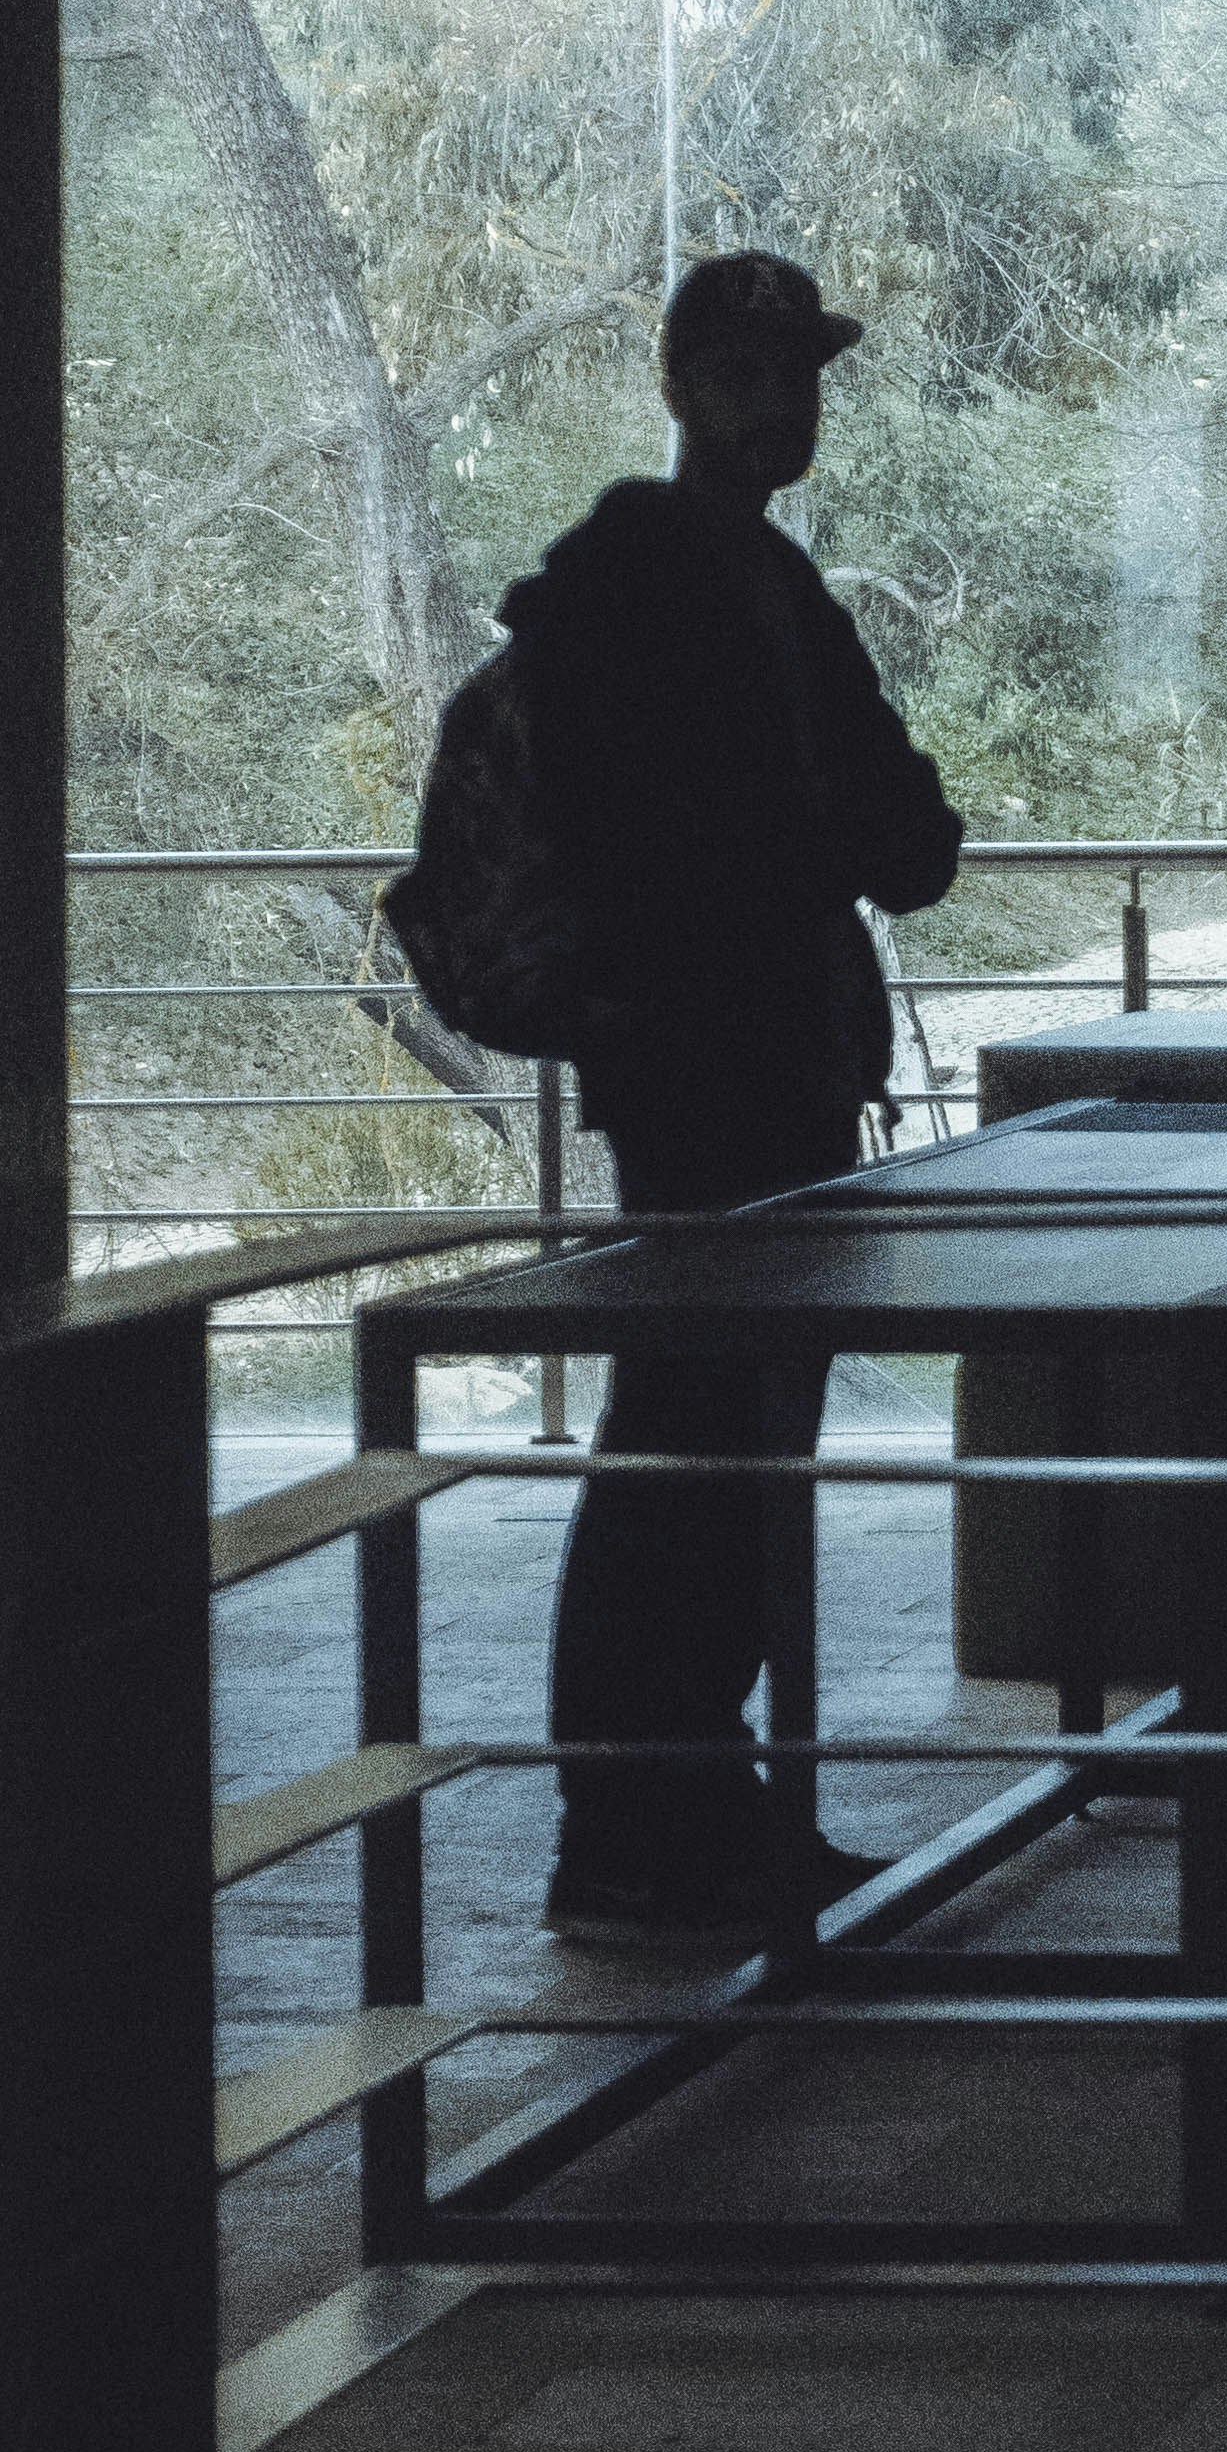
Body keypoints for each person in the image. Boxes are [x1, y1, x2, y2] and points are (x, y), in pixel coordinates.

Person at [495, 248, 964, 1945]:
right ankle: (644, 1828)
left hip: (713, 1076)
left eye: (800, 373)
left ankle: (674, 1817)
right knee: (702, 1450)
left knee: (705, 1448)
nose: (785, 401)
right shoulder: (711, 588)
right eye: (754, 373)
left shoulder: (668, 583)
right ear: (684, 388)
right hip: (729, 1078)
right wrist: (822, 837)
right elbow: (898, 838)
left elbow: (855, 834)